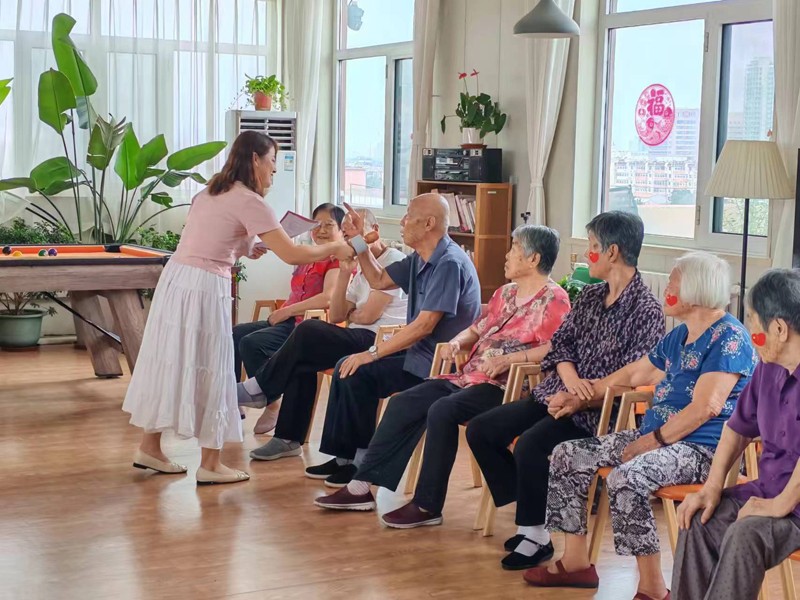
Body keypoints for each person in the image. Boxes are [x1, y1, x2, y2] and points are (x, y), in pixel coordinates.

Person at [121, 131, 353, 485]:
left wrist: (247, 246)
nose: (274, 169)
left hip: (177, 280)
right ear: (255, 160)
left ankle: (150, 446)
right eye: (272, 160)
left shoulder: (211, 191)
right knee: (213, 365)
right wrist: (335, 249)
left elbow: (214, 236)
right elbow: (292, 254)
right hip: (204, 285)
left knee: (171, 359)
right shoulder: (250, 201)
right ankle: (211, 464)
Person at [525, 252, 756, 600]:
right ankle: (575, 563)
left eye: (673, 283)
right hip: (658, 438)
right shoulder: (681, 335)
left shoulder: (730, 338)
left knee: (627, 477)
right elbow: (636, 373)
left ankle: (652, 588)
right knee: (568, 454)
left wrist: (650, 442)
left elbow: (706, 407)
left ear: (695, 290)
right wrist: (581, 396)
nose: (667, 290)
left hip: (704, 450)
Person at [314, 225, 571, 516]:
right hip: (468, 376)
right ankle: (361, 487)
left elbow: (555, 348)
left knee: (442, 410)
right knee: (403, 402)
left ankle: (427, 505)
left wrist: (509, 360)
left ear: (533, 259)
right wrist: (457, 341)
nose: (507, 255)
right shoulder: (506, 293)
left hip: (506, 384)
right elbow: (476, 329)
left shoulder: (555, 299)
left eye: (514, 249)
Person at [466, 210, 665, 568]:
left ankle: (536, 535)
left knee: (530, 445)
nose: (587, 253)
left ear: (612, 252)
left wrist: (580, 397)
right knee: (482, 430)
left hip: (597, 412)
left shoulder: (647, 310)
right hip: (556, 393)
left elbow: (635, 375)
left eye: (592, 246)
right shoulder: (590, 296)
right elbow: (560, 345)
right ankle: (532, 514)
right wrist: (570, 380)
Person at [303, 194, 481, 488]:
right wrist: (358, 240)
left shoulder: (449, 263)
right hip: (418, 356)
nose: (402, 221)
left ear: (429, 223)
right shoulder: (420, 258)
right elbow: (378, 279)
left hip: (440, 366)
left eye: (408, 215)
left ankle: (360, 465)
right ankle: (347, 458)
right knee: (348, 368)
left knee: (360, 367)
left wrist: (371, 353)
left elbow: (424, 326)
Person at [237, 207, 408, 458]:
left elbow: (368, 316)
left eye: (357, 234)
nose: (353, 243)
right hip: (358, 335)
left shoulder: (393, 260)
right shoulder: (359, 266)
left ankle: (260, 388)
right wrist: (345, 275)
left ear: (375, 231)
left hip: (379, 340)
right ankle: (287, 438)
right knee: (302, 358)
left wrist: (352, 313)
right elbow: (338, 315)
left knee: (308, 331)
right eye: (348, 237)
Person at [672, 269, 800, 600]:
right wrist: (711, 488)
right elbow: (737, 429)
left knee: (745, 534)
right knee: (699, 519)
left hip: (794, 506)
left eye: (754, 321)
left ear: (779, 329)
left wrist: (779, 505)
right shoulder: (767, 368)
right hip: (769, 492)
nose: (750, 332)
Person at [233, 202, 345, 434]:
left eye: (329, 225)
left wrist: (287, 311)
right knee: (235, 334)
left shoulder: (338, 259)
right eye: (317, 225)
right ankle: (234, 402)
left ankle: (271, 401)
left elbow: (327, 298)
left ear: (342, 229)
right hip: (288, 319)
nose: (322, 230)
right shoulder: (307, 255)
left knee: (252, 343)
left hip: (308, 325)